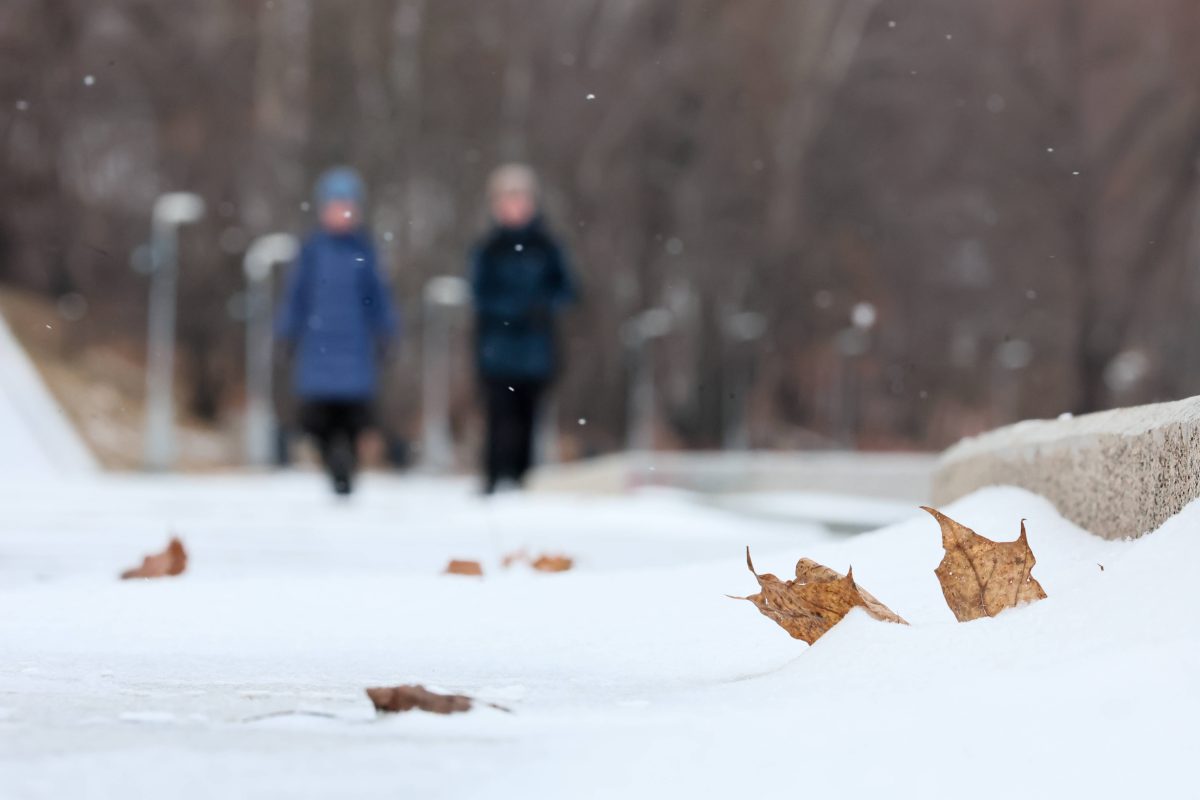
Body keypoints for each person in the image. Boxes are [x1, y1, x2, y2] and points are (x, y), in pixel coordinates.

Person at [277, 167, 399, 496]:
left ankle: (346, 463)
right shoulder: (311, 252)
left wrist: (386, 332)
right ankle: (334, 459)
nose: (341, 214)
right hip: (319, 346)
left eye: (347, 207)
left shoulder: (366, 251)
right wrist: (287, 332)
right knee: (317, 418)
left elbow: (379, 297)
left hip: (355, 348)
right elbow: (297, 295)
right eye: (335, 206)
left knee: (354, 416)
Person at [470, 164, 577, 494]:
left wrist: (542, 307)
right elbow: (478, 293)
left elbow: (569, 290)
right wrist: (508, 311)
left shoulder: (546, 246)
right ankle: (492, 477)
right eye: (507, 199)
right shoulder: (488, 248)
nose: (514, 207)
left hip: (535, 350)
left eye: (519, 199)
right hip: (496, 349)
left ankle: (523, 478)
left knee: (528, 417)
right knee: (498, 415)